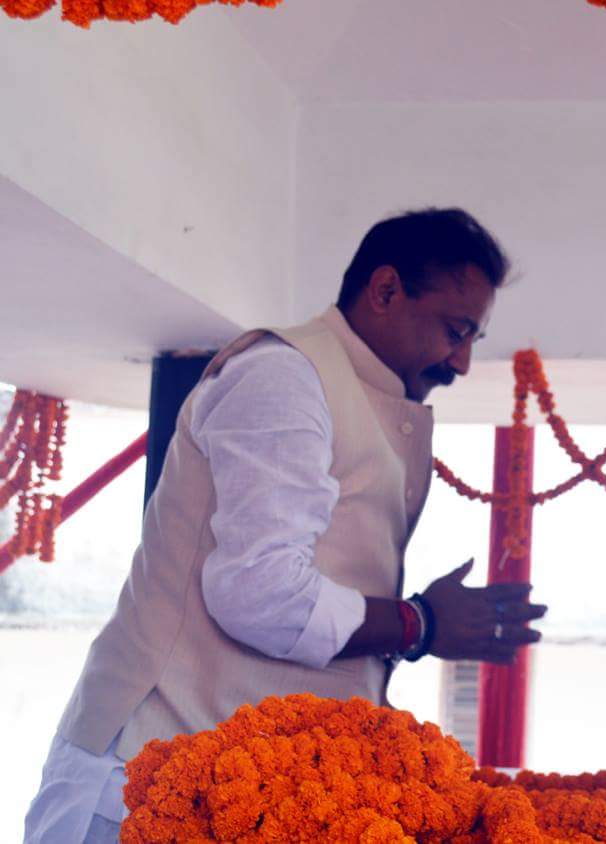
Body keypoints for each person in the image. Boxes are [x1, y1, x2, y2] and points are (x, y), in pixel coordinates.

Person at [25, 207, 548, 843]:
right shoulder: (284, 375)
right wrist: (420, 623)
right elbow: (259, 592)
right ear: (385, 290)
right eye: (455, 330)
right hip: (145, 777)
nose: (461, 362)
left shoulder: (352, 389)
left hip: (241, 793)